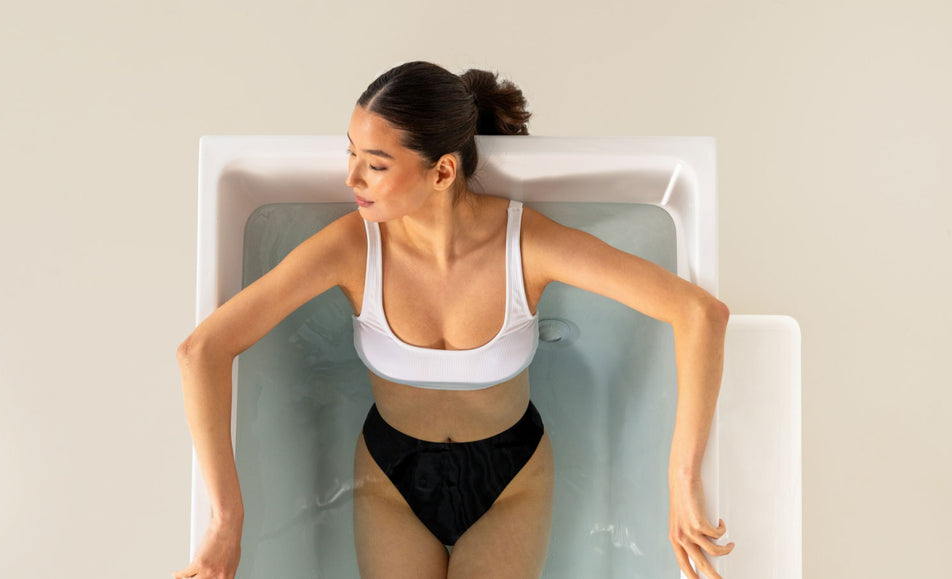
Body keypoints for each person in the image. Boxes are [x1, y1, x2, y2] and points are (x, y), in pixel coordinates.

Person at [172, 61, 735, 579]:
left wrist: (683, 483)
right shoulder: (350, 247)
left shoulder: (525, 244)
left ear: (442, 171)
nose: (351, 180)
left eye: (375, 164)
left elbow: (699, 313)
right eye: (350, 153)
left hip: (509, 478)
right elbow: (202, 351)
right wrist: (226, 518)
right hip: (392, 477)